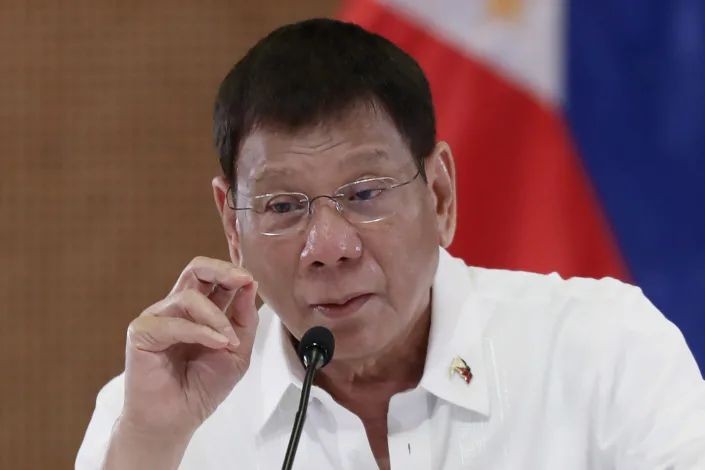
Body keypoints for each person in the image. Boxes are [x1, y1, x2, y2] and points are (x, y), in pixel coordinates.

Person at [76, 18, 705, 470]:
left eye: (365, 193)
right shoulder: (156, 415)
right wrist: (151, 446)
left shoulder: (606, 348)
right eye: (284, 206)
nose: (327, 246)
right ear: (232, 225)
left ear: (439, 195)